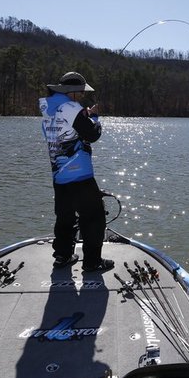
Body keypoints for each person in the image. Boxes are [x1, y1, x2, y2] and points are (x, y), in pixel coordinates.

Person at [40, 71, 114, 272]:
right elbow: (92, 135)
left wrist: (84, 116)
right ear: (72, 91)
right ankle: (92, 262)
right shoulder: (72, 108)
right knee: (94, 217)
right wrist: (95, 118)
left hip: (59, 175)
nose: (81, 96)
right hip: (79, 173)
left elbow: (66, 129)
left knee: (65, 216)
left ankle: (62, 256)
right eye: (80, 92)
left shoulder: (49, 110)